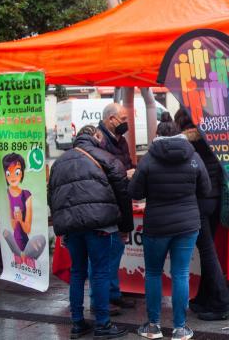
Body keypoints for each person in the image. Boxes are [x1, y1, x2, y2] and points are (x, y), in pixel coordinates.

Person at [130, 121, 211, 340]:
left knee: (154, 273)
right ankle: (180, 328)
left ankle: (153, 326)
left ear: (157, 135)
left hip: (156, 225)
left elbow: (135, 192)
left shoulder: (148, 159)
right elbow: (206, 189)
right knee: (181, 273)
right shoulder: (193, 156)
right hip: (187, 224)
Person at [48, 126, 129, 340]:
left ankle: (77, 323)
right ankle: (102, 324)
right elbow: (123, 191)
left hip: (72, 229)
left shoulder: (59, 163)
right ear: (96, 136)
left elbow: (52, 198)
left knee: (77, 272)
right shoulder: (105, 157)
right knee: (101, 272)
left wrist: (62, 227)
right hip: (100, 225)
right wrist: (125, 227)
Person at [174, 109, 229, 321]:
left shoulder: (187, 144)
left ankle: (220, 303)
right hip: (216, 198)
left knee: (207, 251)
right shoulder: (214, 137)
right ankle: (205, 297)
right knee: (209, 250)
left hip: (199, 199)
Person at [95, 103, 136, 311]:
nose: (126, 124)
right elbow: (100, 174)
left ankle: (113, 293)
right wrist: (124, 174)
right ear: (110, 119)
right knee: (105, 255)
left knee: (117, 251)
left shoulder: (121, 142)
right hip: (106, 204)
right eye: (123, 119)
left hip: (121, 201)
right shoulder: (99, 141)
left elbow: (127, 164)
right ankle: (101, 300)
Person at [0, 153, 47, 269]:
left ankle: (22, 256)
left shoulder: (26, 195)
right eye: (8, 173)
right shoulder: (5, 195)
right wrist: (15, 220)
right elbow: (8, 227)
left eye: (16, 172)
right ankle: (22, 257)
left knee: (41, 238)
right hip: (11, 242)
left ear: (22, 173)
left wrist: (20, 220)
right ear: (5, 175)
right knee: (6, 233)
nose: (12, 176)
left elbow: (27, 229)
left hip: (25, 243)